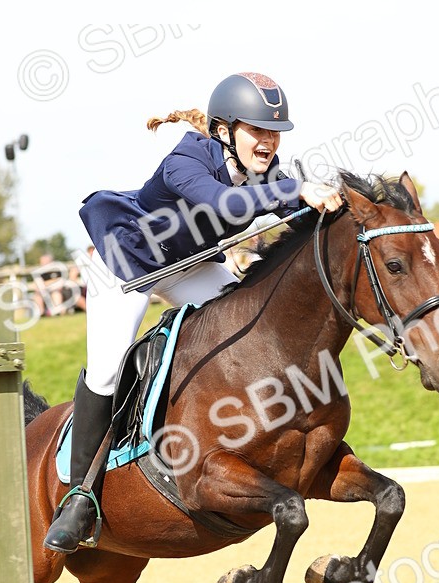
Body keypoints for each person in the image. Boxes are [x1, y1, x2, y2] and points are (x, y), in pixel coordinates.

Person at [43, 71, 342, 553]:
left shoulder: (268, 172)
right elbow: (225, 201)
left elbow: (293, 210)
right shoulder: (186, 158)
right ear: (224, 130)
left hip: (187, 266)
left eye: (274, 132)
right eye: (257, 130)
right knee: (106, 371)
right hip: (127, 262)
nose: (268, 141)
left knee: (246, 324)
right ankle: (78, 497)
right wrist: (296, 191)